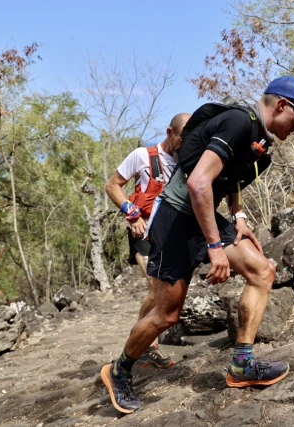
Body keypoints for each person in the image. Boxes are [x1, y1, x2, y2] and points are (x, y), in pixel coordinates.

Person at [101, 75, 294, 413]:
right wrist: (216, 247)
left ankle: (241, 365)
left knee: (262, 271)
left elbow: (229, 180)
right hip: (174, 219)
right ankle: (119, 371)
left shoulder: (258, 141)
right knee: (166, 314)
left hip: (203, 219)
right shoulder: (237, 122)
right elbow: (199, 182)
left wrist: (239, 218)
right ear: (282, 106)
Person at [104, 113, 190, 369]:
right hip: (143, 232)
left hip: (171, 234)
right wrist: (131, 214)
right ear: (169, 132)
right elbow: (112, 185)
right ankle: (145, 347)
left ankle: (140, 344)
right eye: (181, 138)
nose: (184, 144)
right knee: (155, 289)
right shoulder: (143, 156)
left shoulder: (189, 159)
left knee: (162, 294)